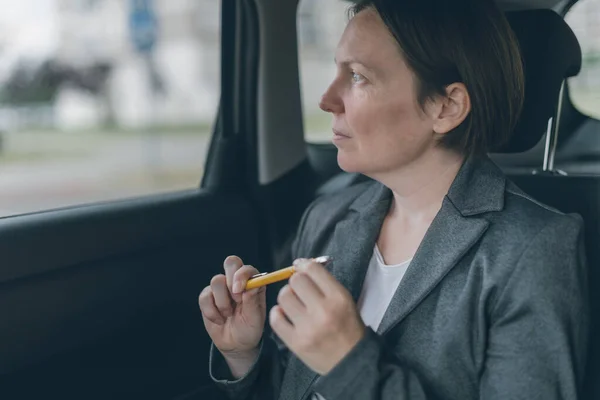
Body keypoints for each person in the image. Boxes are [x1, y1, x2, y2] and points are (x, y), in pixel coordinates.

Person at [198, 0, 589, 398]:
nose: (327, 99)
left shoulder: (532, 251)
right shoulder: (327, 219)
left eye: (357, 76)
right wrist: (243, 355)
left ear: (446, 106)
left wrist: (348, 364)